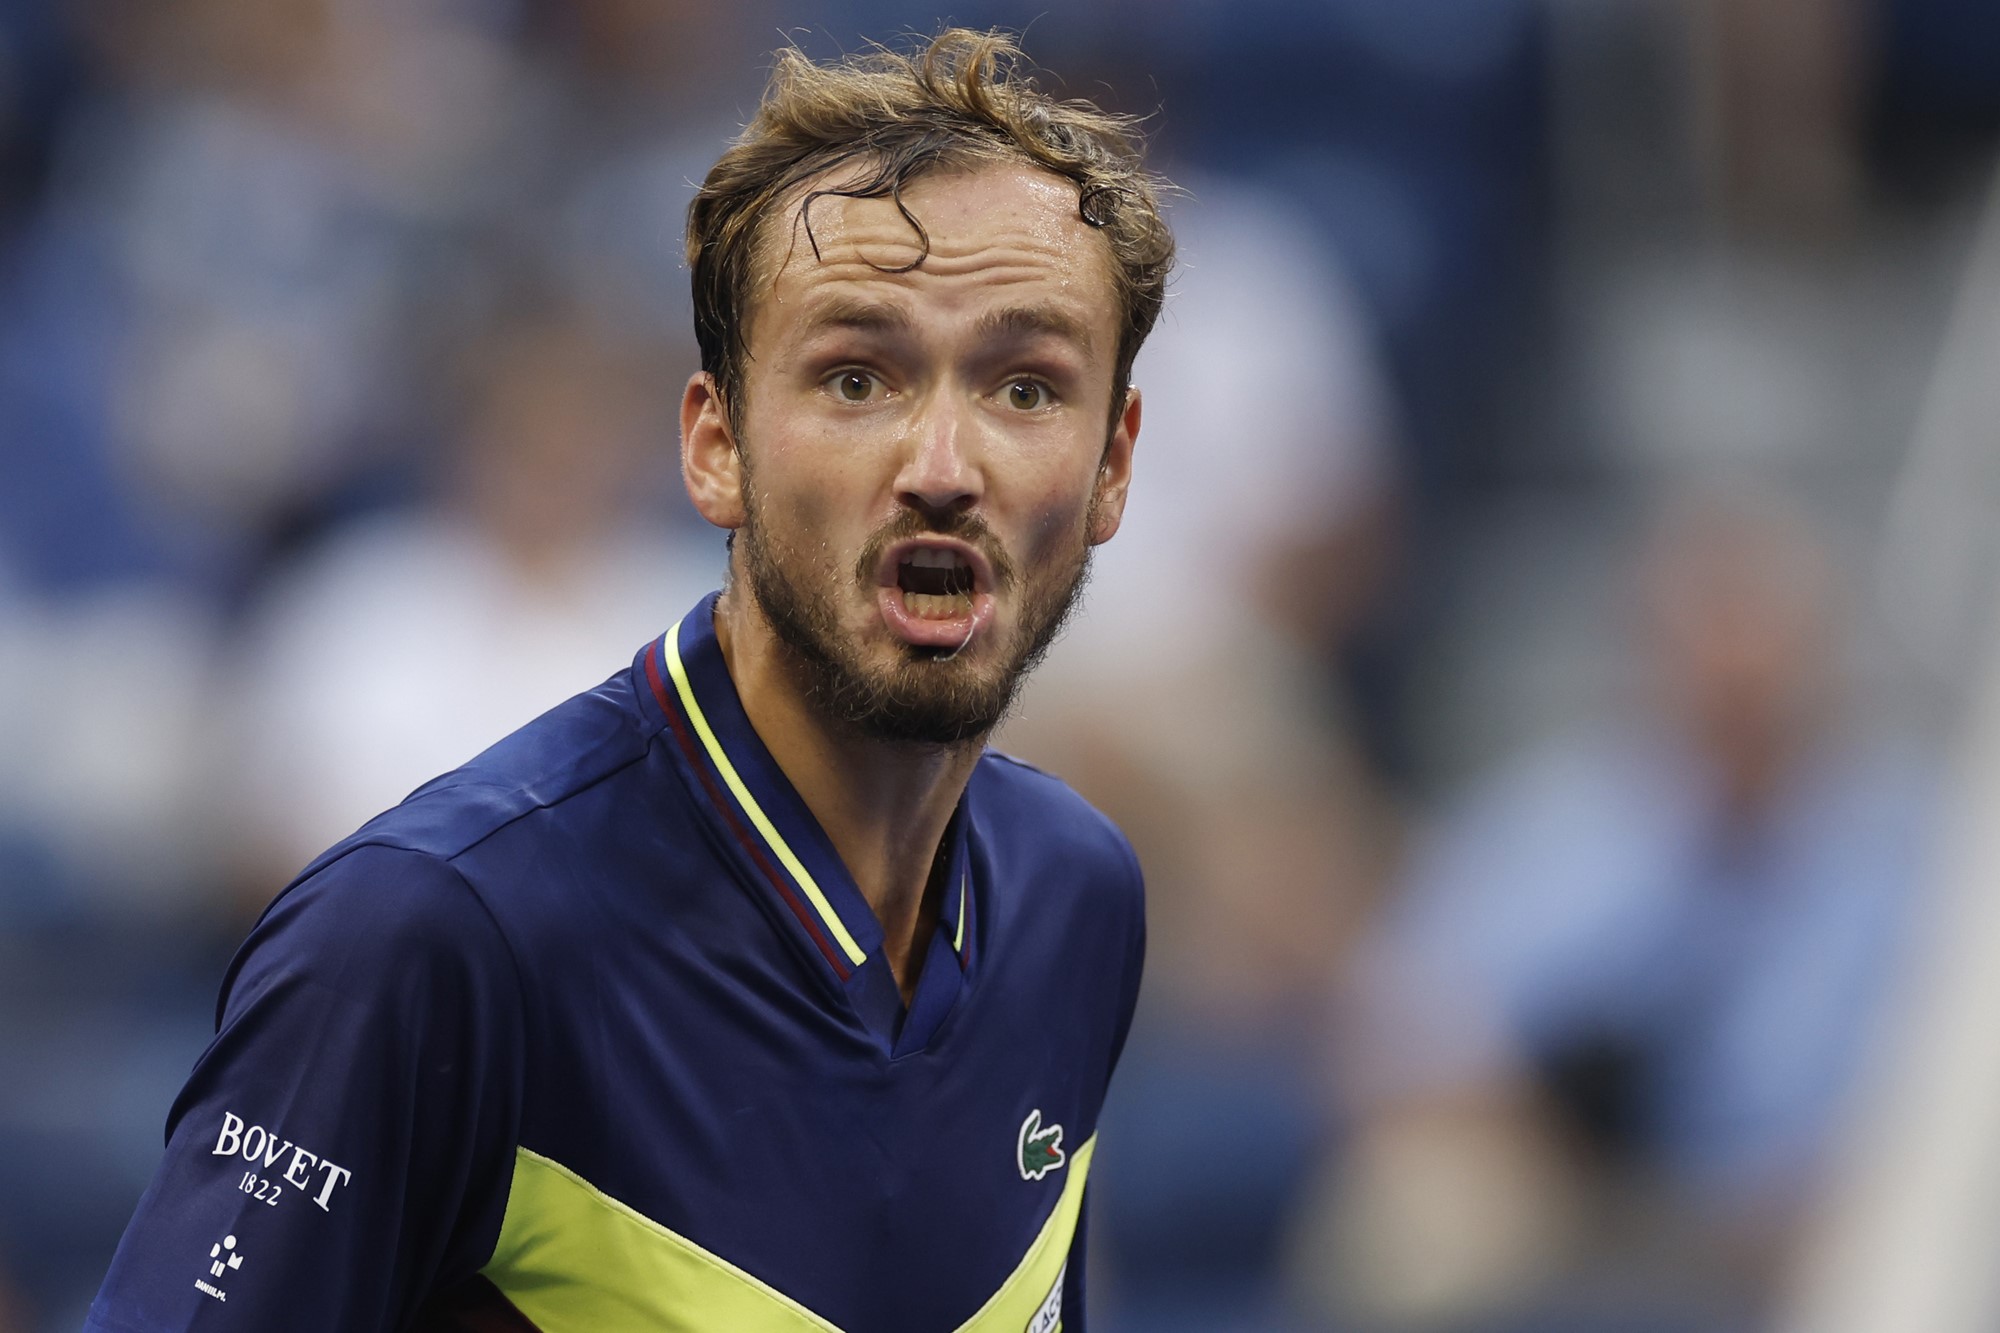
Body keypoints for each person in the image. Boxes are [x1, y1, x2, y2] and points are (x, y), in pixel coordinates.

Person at [84, 28, 1169, 1333]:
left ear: (1113, 467)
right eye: (856, 376)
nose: (943, 460)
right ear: (715, 449)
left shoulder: (1079, 897)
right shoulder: (425, 938)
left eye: (1026, 386)